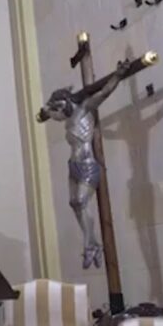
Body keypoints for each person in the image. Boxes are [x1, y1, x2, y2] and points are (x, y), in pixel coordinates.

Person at [39, 70, 123, 270]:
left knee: (80, 201)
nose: (57, 116)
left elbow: (104, 93)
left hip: (87, 163)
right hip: (73, 164)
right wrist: (44, 112)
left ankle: (89, 245)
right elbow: (48, 113)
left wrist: (118, 75)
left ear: (66, 103)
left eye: (58, 110)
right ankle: (93, 244)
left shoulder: (85, 108)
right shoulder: (67, 117)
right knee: (73, 203)